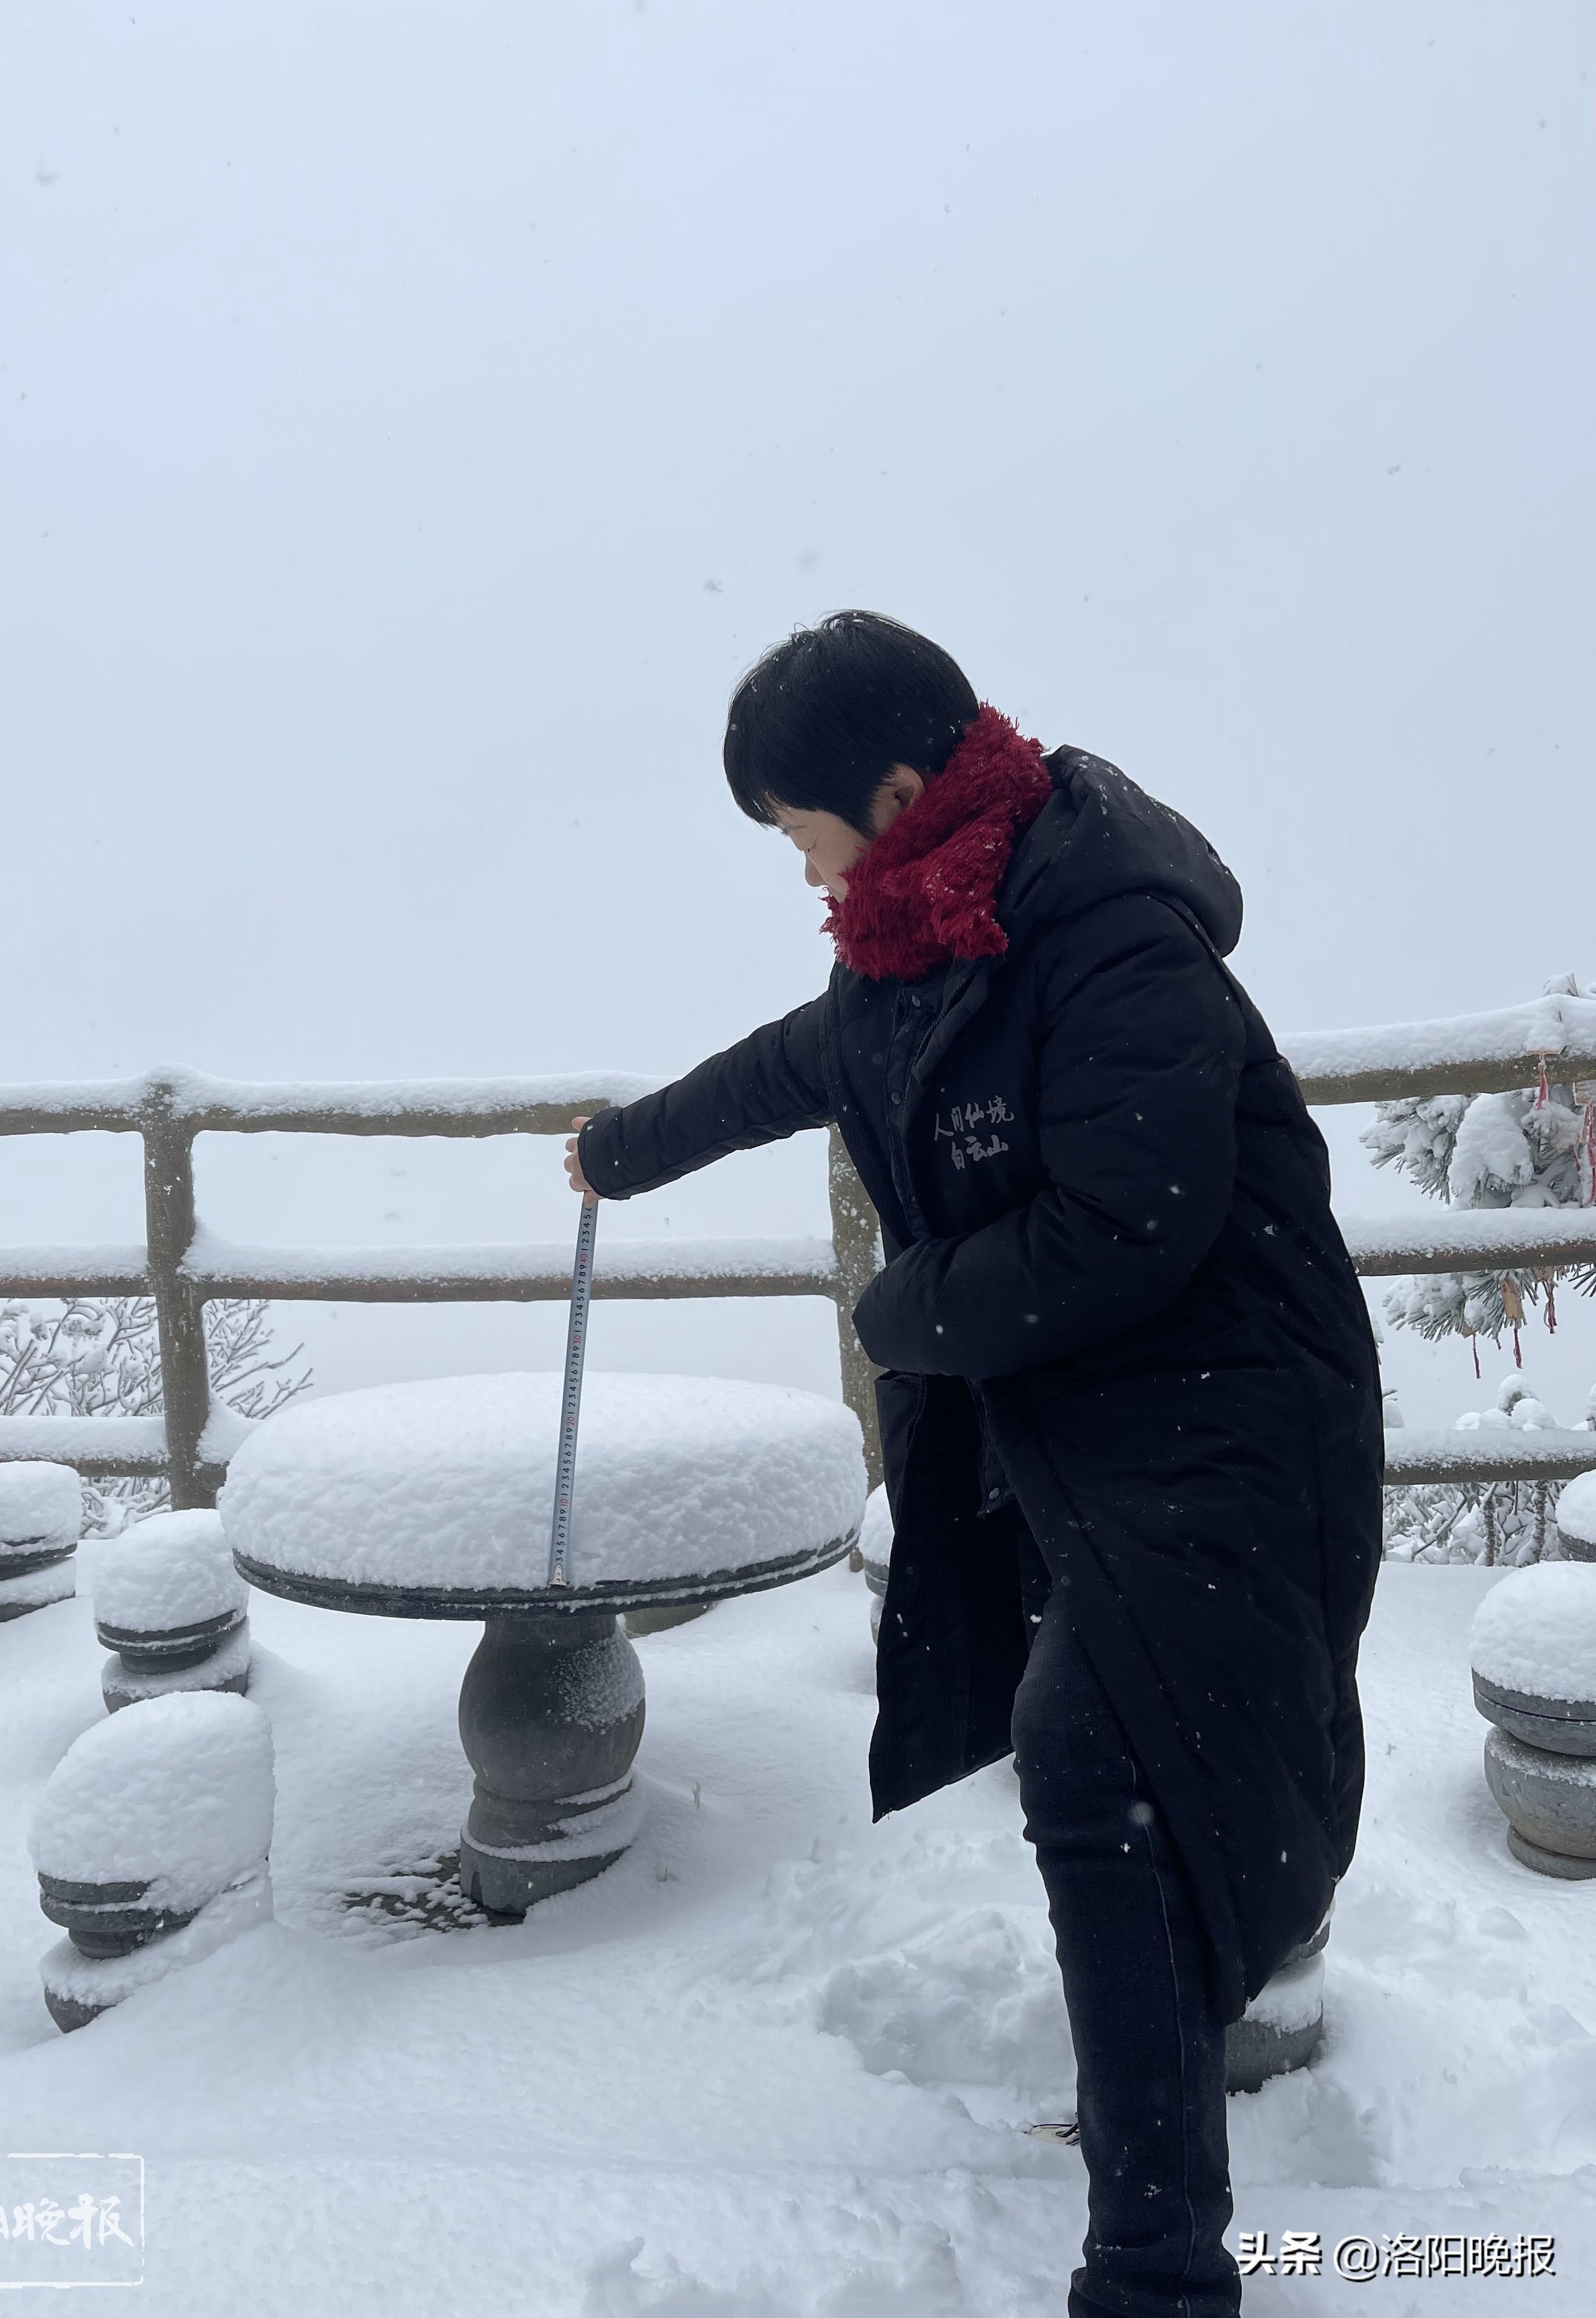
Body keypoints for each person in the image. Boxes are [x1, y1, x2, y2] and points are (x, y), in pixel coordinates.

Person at [562, 609, 1383, 2318]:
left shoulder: (1104, 931)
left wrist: (906, 1305)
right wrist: (620, 1152)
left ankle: (1155, 2267)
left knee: (1104, 1753)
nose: (796, 870)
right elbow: (789, 1070)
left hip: (1234, 1399)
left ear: (897, 786)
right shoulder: (906, 947)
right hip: (1083, 1418)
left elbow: (1132, 1218)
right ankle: (1199, 2020)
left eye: (798, 828)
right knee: (1152, 1741)